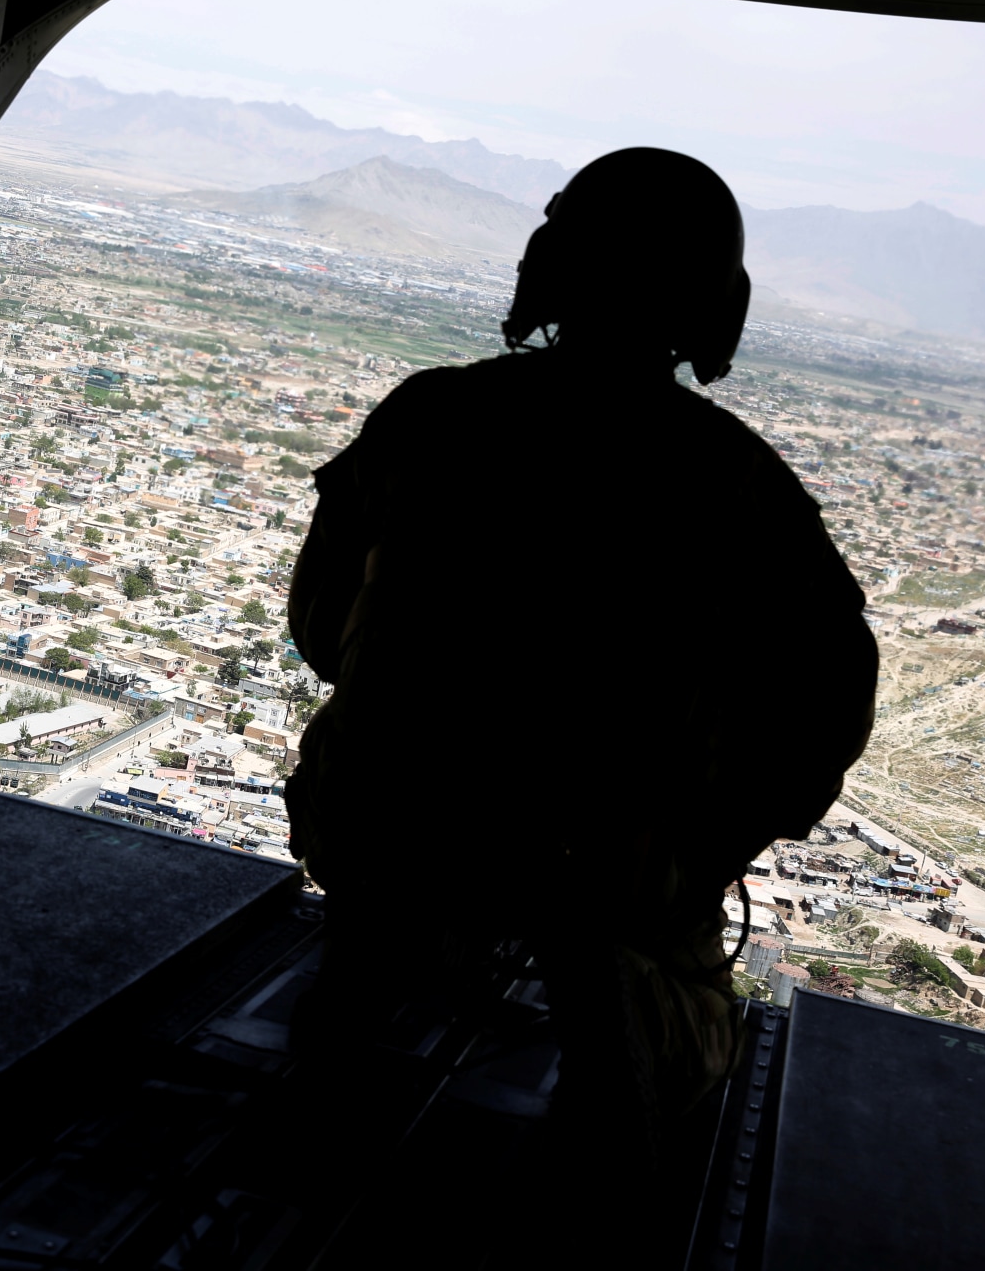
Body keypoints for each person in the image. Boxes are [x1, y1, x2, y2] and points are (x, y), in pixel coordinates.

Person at [284, 148, 878, 1237]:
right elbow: (823, 720)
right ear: (711, 308)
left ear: (550, 268)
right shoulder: (743, 488)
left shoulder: (427, 419)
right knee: (674, 1088)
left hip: (384, 866)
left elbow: (321, 626)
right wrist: (691, 842)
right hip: (612, 912)